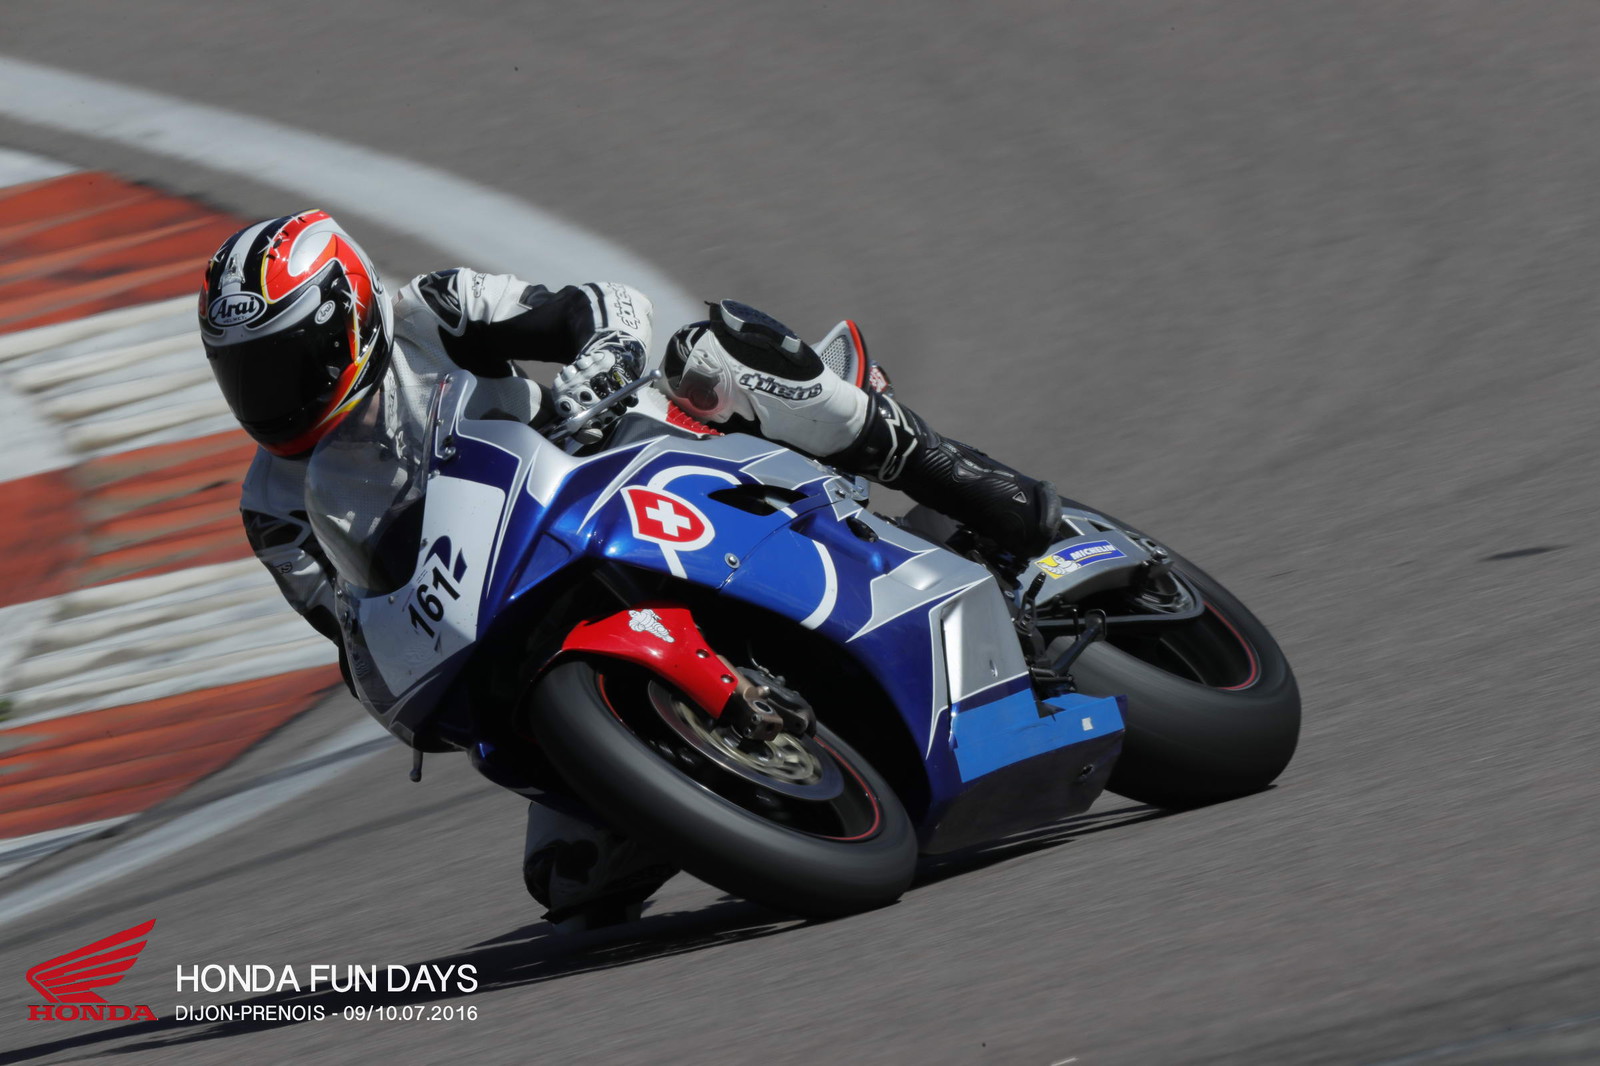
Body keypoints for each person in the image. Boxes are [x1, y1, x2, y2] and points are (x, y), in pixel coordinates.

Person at [200, 210, 1061, 929]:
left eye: (287, 359)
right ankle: (724, 774)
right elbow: (349, 624)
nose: (271, 392)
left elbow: (598, 308)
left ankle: (957, 476)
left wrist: (594, 368)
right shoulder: (271, 507)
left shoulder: (435, 311)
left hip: (608, 466)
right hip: (505, 607)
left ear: (350, 316)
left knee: (713, 357)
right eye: (245, 373)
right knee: (570, 884)